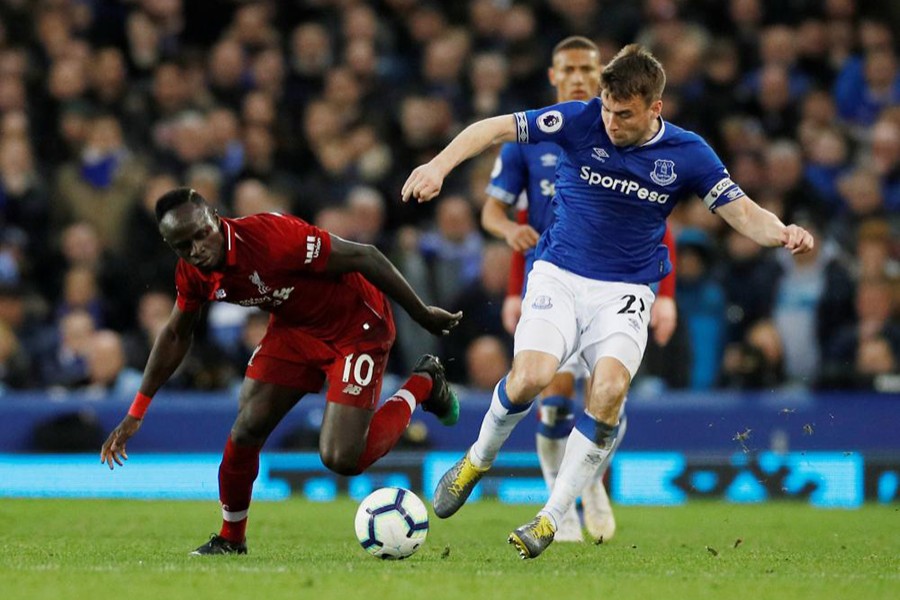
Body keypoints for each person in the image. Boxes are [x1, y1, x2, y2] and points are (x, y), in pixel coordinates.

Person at [402, 44, 814, 559]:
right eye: (607, 108)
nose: (611, 121)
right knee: (531, 377)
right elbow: (491, 128)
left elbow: (741, 212)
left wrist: (783, 233)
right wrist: (437, 167)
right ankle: (476, 460)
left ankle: (551, 518)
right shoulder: (579, 119)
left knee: (610, 391)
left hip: (625, 291)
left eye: (624, 114)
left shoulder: (688, 153)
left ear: (654, 108)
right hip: (559, 274)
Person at [100, 188, 462, 555]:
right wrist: (137, 411)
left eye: (201, 234)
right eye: (183, 246)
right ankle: (231, 538)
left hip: (355, 327)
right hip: (295, 330)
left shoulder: (272, 238)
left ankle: (423, 383)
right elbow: (176, 333)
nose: (197, 250)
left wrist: (421, 314)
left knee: (342, 458)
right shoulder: (193, 272)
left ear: (215, 216)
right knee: (246, 427)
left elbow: (364, 256)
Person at [480, 36, 678, 543]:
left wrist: (668, 294)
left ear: (602, 73)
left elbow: (656, 215)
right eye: (566, 68)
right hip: (551, 278)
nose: (576, 77)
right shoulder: (542, 134)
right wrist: (509, 260)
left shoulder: (620, 129)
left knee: (607, 395)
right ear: (552, 75)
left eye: (586, 68)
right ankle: (560, 501)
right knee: (552, 395)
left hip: (617, 283)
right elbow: (498, 212)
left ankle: (587, 488)